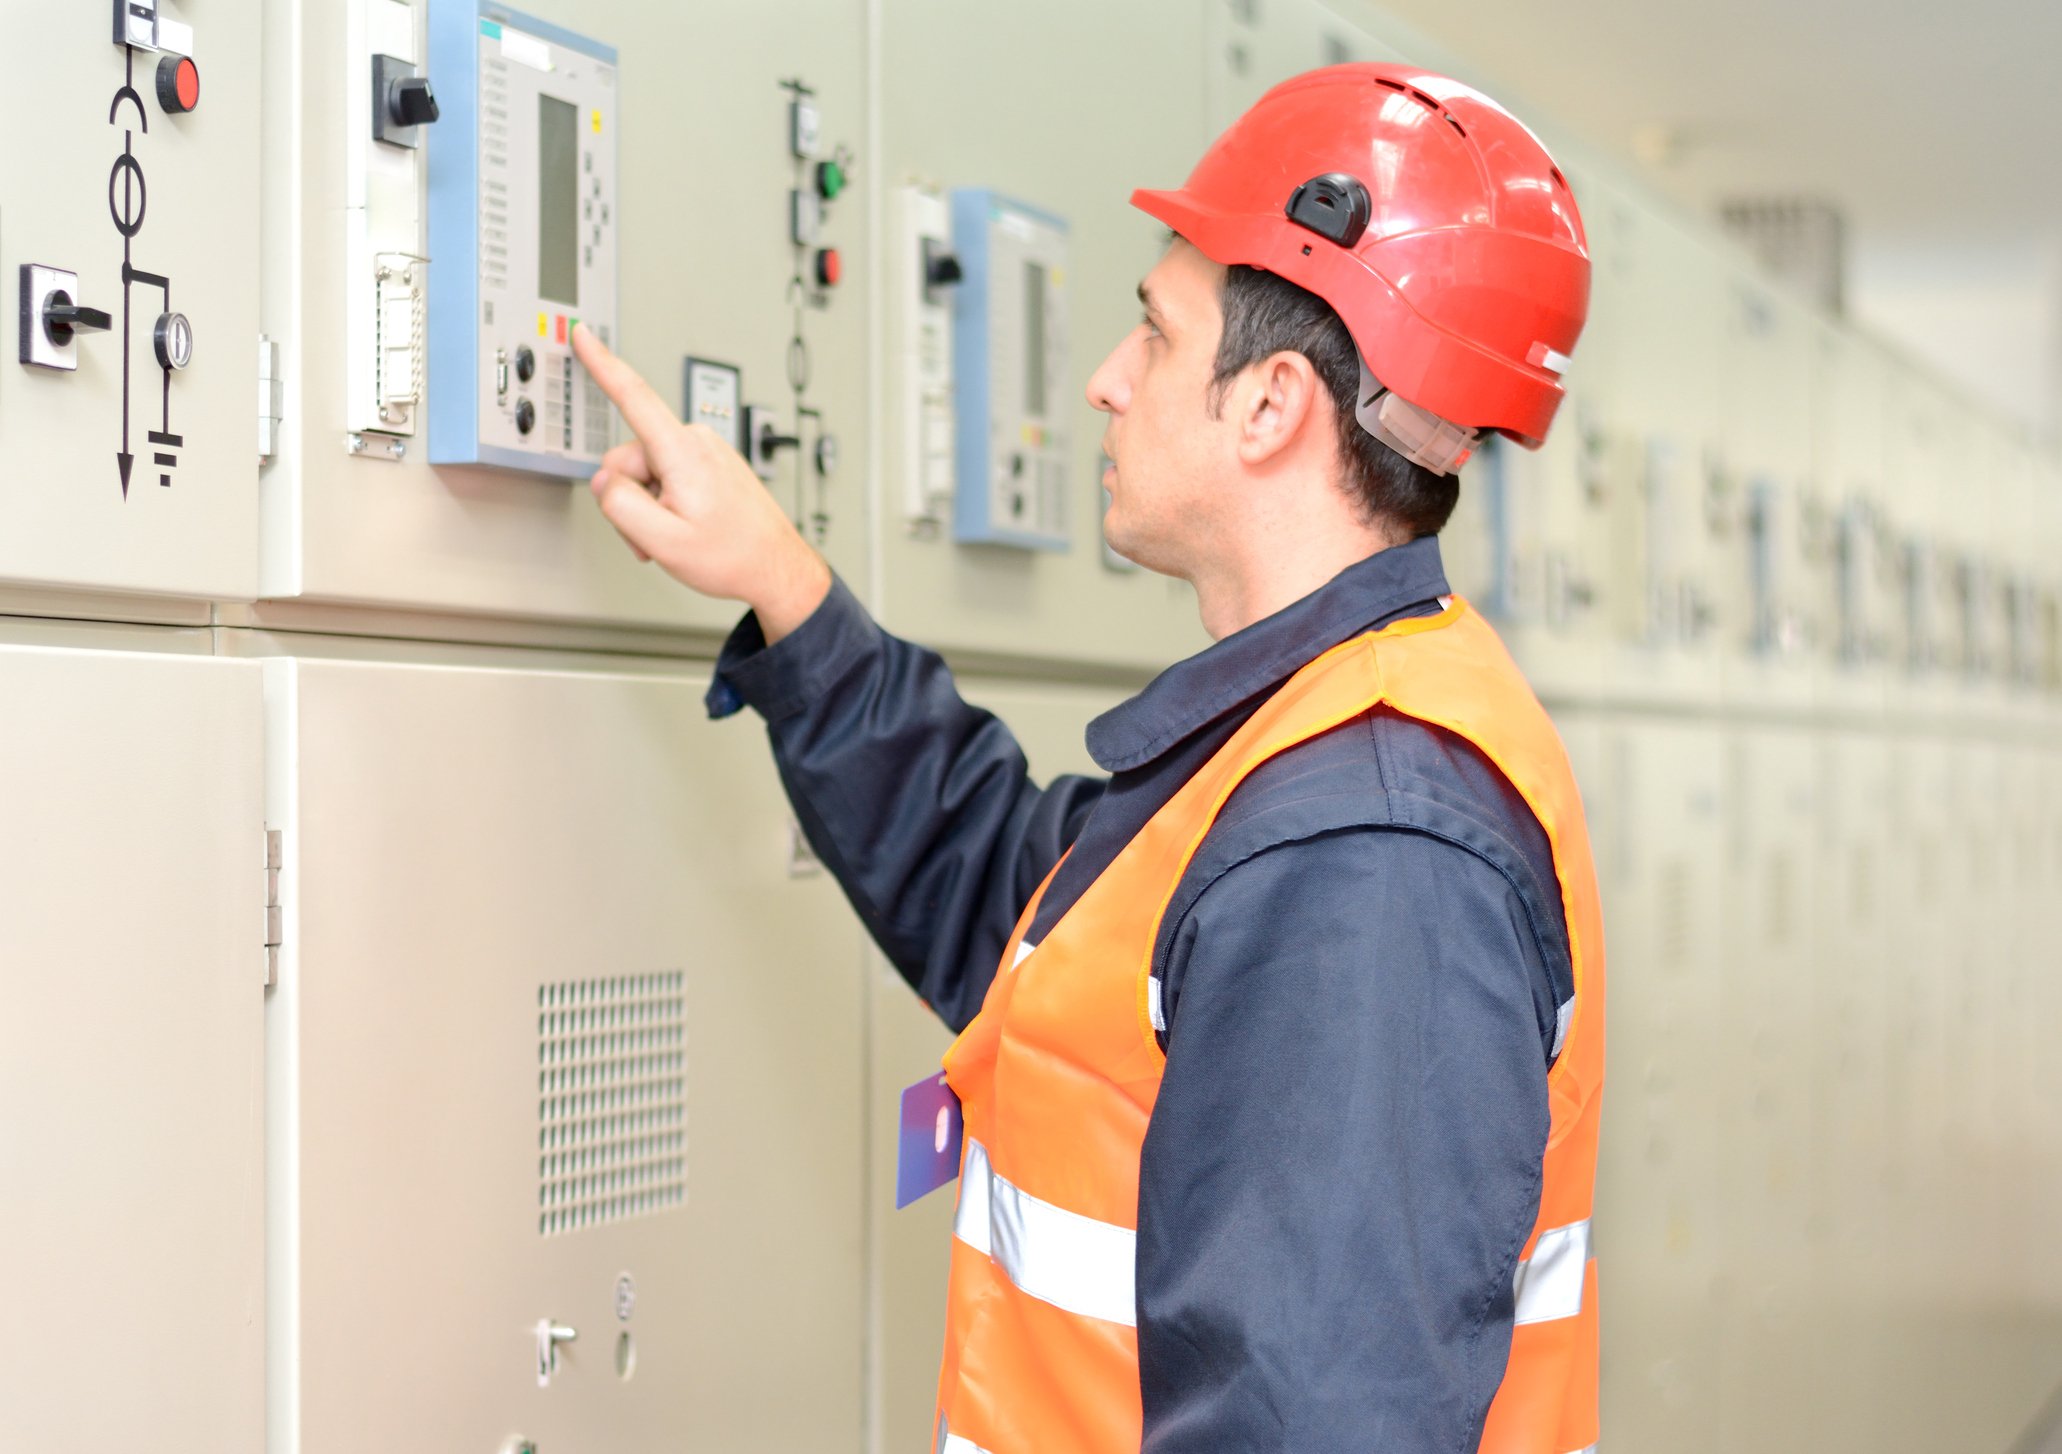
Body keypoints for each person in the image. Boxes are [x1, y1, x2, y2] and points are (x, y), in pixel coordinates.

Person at [571, 61, 1603, 1454]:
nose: (1108, 385)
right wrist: (789, 594)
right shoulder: (1304, 741)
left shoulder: (1368, 849)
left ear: (1268, 405)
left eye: (1154, 335)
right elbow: (1042, 926)